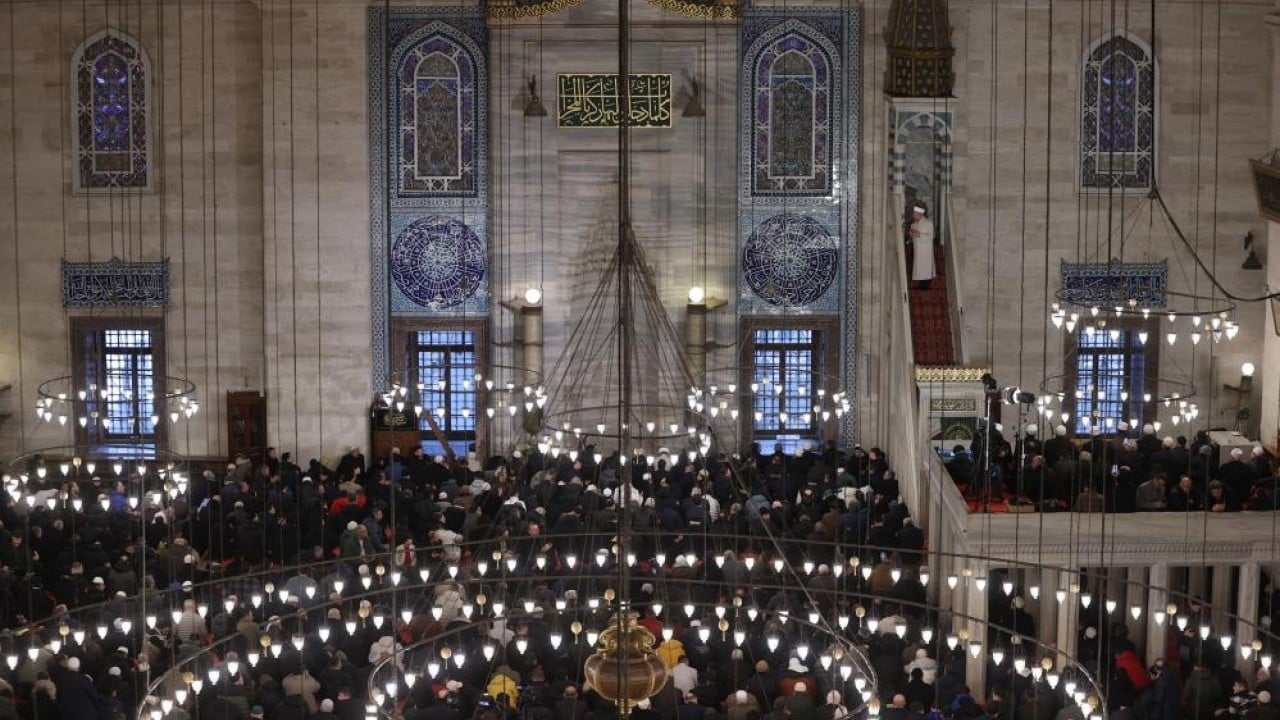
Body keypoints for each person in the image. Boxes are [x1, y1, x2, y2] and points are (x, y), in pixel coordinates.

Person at [907, 205, 936, 290]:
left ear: (920, 214)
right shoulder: (913, 225)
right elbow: (912, 236)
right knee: (919, 267)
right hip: (918, 250)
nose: (913, 215)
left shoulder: (928, 223)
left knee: (926, 267)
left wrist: (919, 235)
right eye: (913, 214)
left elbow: (931, 236)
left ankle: (926, 285)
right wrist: (911, 234)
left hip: (926, 249)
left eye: (915, 214)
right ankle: (920, 284)